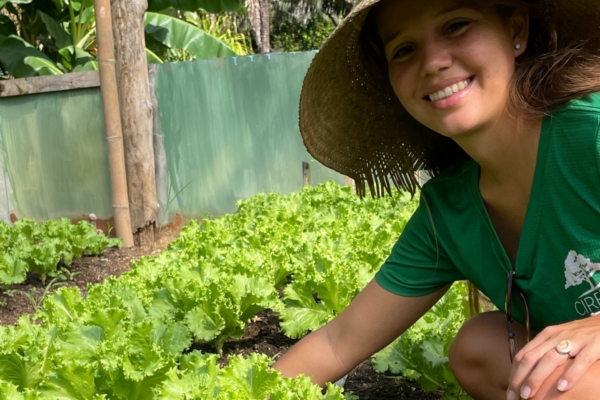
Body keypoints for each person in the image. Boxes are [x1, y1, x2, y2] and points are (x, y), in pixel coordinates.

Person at [272, 0, 600, 399]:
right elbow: (338, 343)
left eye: (456, 25)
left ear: (516, 30)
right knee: (480, 347)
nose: (433, 62)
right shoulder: (450, 211)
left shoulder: (590, 134)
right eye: (404, 50)